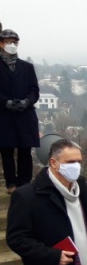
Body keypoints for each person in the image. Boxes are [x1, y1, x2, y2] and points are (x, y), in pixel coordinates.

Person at [0, 28, 40, 194]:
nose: (11, 44)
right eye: (8, 41)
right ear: (1, 44)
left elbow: (34, 90)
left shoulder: (27, 67)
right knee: (6, 150)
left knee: (25, 150)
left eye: (14, 42)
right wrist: (6, 102)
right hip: (4, 115)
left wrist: (26, 102)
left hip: (25, 114)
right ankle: (11, 183)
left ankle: (24, 182)